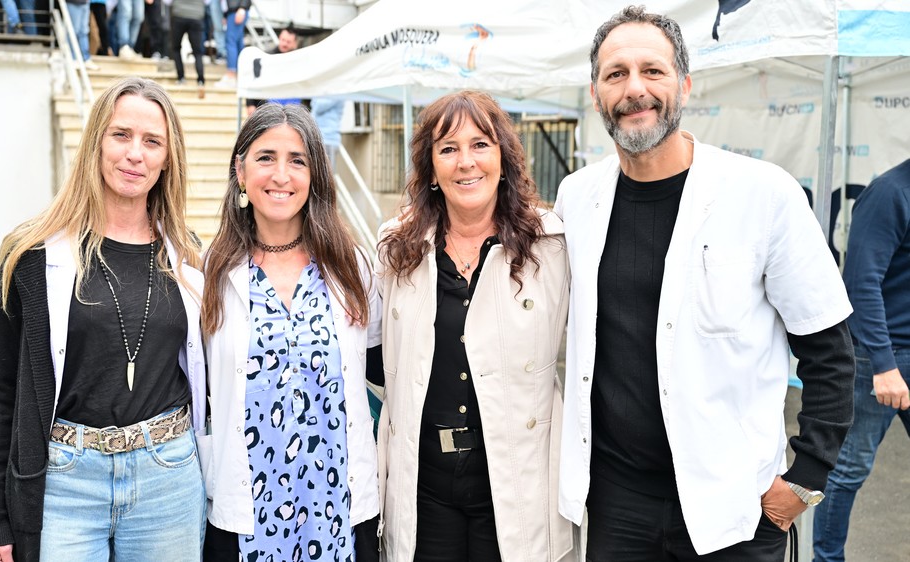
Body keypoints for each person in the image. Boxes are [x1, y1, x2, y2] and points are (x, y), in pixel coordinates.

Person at [554, 6, 856, 560]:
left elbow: (830, 350)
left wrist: (804, 481)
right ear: (596, 94)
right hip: (617, 506)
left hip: (736, 508)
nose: (634, 88)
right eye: (615, 73)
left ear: (685, 86)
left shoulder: (762, 193)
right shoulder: (577, 198)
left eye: (653, 70)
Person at [0, 77, 206, 562]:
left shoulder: (188, 256)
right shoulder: (30, 256)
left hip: (167, 476)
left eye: (152, 141)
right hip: (65, 481)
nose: (135, 155)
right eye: (120, 135)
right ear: (96, 141)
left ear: (168, 158)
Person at [376, 90, 574, 561]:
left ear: (503, 158)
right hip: (425, 483)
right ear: (431, 170)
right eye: (448, 149)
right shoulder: (397, 247)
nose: (466, 162)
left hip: (513, 479)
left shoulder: (550, 244)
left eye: (480, 145)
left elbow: (581, 351)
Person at [199, 103, 381, 561]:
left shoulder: (354, 269)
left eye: (297, 160)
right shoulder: (209, 274)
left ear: (315, 175)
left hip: (339, 511)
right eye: (265, 158)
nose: (281, 174)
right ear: (240, 172)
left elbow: (383, 369)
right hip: (246, 518)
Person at [813, 159, 910, 561]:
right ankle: (827, 558)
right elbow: (860, 283)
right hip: (882, 358)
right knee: (848, 470)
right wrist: (885, 366)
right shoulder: (891, 193)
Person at [239, 26, 303, 113]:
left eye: (288, 42)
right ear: (279, 38)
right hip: (266, 108)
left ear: (295, 44)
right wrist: (250, 104)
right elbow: (253, 79)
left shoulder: (299, 61)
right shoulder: (266, 57)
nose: (284, 44)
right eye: (283, 40)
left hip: (292, 107)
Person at [167, 0, 206, 99]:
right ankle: (200, 81)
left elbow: (167, 2)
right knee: (198, 52)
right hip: (196, 16)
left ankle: (181, 78)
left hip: (179, 15)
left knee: (176, 48)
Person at [213, 0, 250, 88]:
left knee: (231, 42)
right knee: (237, 43)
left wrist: (242, 8)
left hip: (237, 10)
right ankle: (239, 76)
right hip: (234, 10)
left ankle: (231, 75)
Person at [311, 97, 344, 170]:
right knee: (316, 172)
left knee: (327, 175)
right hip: (317, 138)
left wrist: (316, 98)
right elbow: (313, 103)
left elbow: (319, 106)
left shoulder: (336, 92)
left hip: (329, 139)